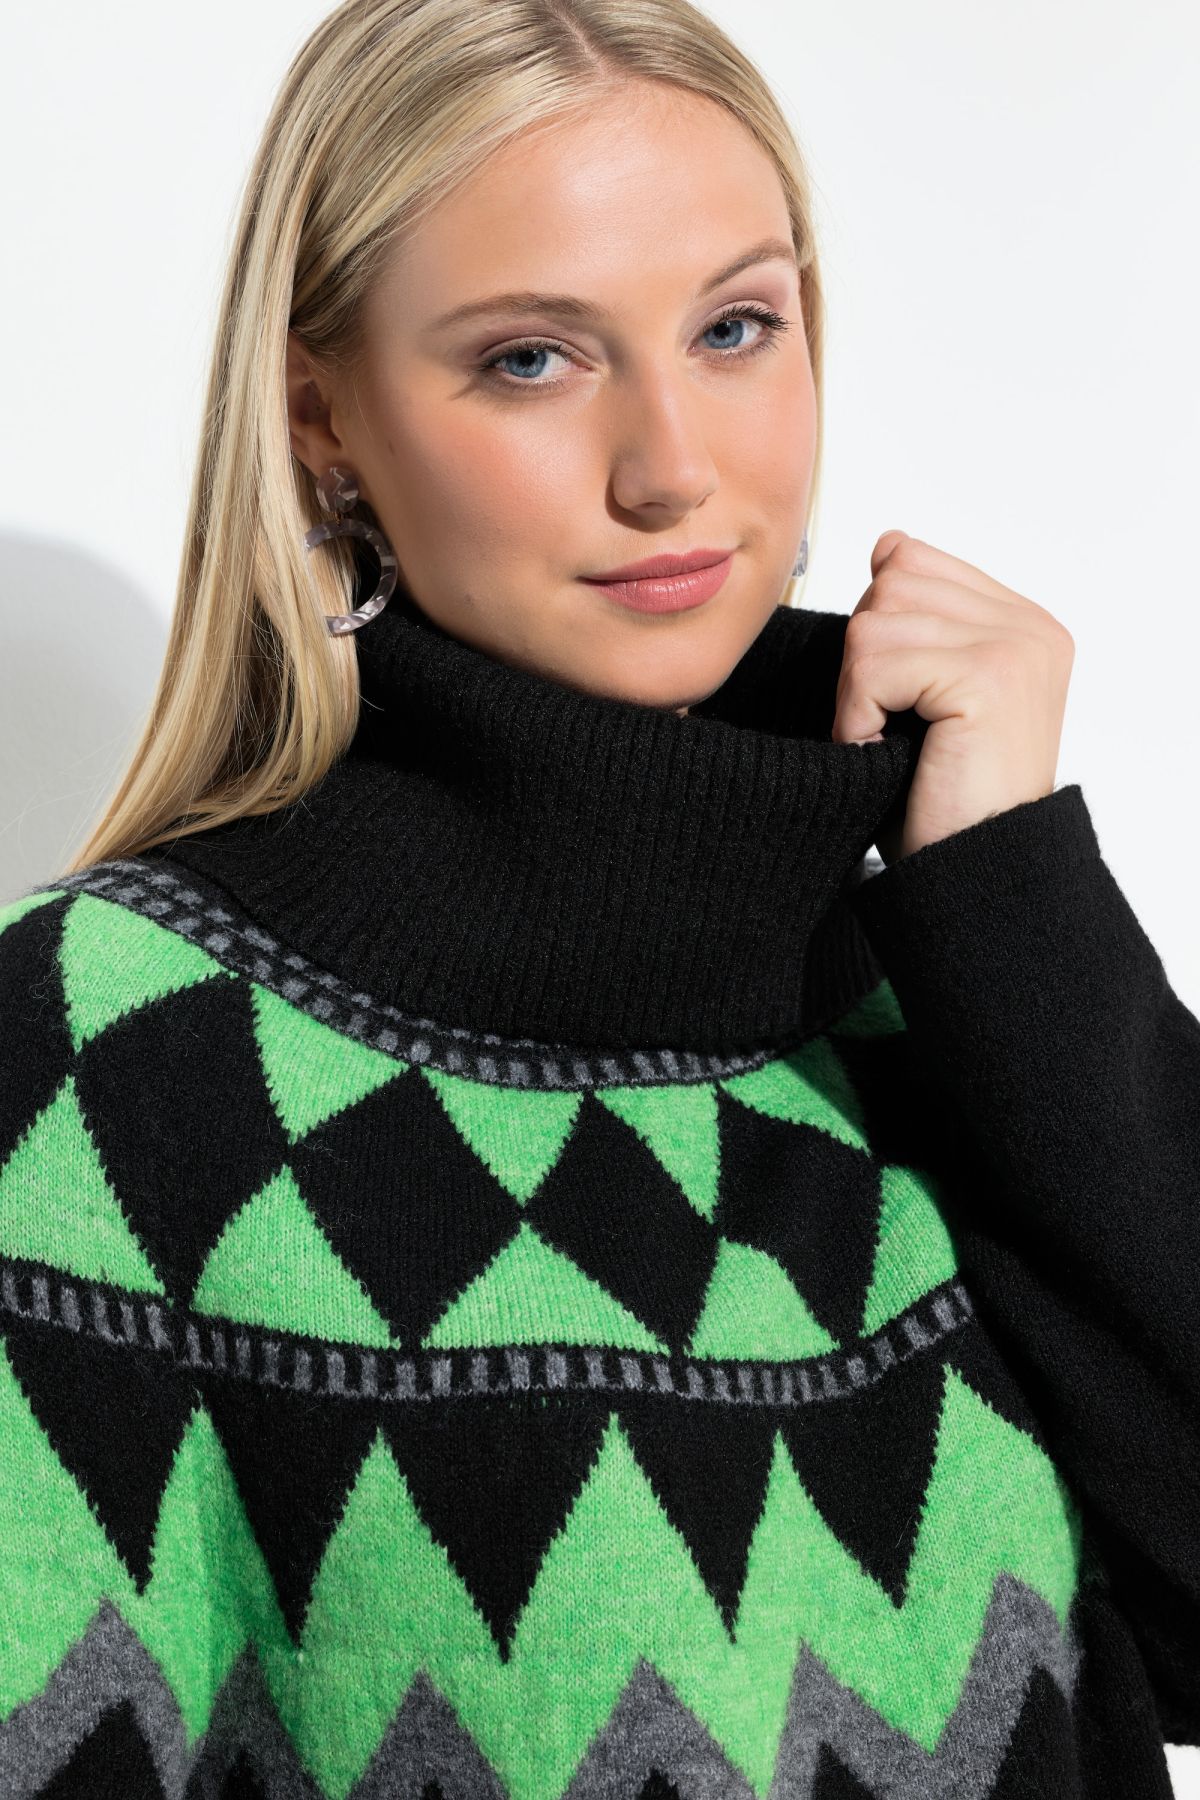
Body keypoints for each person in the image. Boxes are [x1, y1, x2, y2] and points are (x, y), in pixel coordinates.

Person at [0, 1, 1196, 1795]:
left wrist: (1013, 893)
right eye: (532, 359)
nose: (674, 468)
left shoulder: (942, 994)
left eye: (735, 328)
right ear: (322, 420)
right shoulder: (108, 1064)